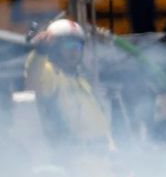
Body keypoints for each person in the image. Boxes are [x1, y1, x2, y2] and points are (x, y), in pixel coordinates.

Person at [24, 18, 113, 151]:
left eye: (77, 46)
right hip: (74, 154)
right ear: (54, 48)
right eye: (68, 46)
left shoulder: (80, 80)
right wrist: (39, 54)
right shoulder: (51, 74)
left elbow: (98, 121)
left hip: (101, 153)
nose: (74, 52)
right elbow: (33, 79)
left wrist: (112, 147)